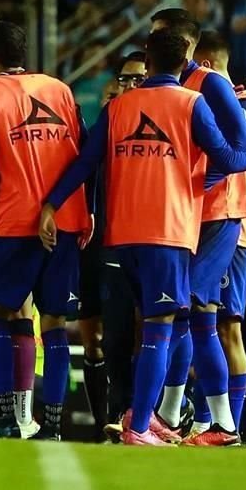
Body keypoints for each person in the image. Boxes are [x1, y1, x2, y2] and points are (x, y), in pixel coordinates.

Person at [40, 28, 246, 445]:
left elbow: (84, 162)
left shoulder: (119, 106)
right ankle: (144, 425)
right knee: (164, 328)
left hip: (121, 236)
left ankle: (159, 417)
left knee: (153, 327)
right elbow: (230, 158)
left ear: (148, 60)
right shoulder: (191, 102)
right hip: (168, 232)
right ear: (185, 62)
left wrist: (51, 205)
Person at [0, 21, 90, 441]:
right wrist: (76, 210)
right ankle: (52, 424)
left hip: (15, 220)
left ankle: (5, 420)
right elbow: (84, 153)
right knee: (53, 321)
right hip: (67, 220)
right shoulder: (61, 90)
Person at [150, 9, 246, 444]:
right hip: (188, 215)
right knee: (195, 316)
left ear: (184, 43)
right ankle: (190, 419)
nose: (151, 45)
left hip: (220, 215)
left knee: (190, 312)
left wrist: (204, 181)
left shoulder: (210, 84)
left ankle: (193, 419)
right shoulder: (176, 88)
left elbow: (241, 143)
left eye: (158, 37)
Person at [187, 31, 246, 440]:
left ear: (209, 63)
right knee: (206, 324)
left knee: (227, 328)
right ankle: (205, 420)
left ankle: (230, 425)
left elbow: (240, 146)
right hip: (209, 220)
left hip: (236, 227)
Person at [84, 51, 146, 441]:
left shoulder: (147, 138)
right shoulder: (98, 138)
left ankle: (139, 414)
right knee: (97, 338)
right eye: (120, 84)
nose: (123, 91)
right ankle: (103, 422)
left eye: (135, 79)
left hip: (135, 243)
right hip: (92, 245)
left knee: (140, 332)